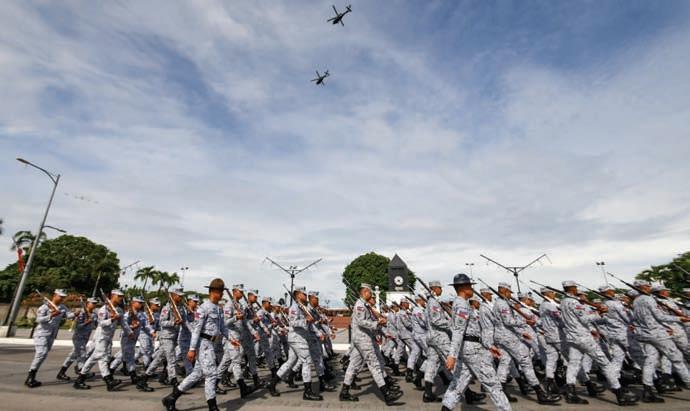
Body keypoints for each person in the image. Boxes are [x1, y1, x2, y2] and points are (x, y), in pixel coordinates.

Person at [560, 280, 638, 405]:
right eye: (575, 288)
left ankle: (571, 392)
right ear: (572, 288)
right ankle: (619, 393)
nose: (576, 290)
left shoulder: (563, 302)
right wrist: (599, 314)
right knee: (605, 363)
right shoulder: (574, 302)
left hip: (572, 337)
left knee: (574, 364)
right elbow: (585, 319)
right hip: (583, 336)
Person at [442, 273, 511, 411]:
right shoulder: (462, 305)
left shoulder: (462, 304)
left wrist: (488, 346)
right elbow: (458, 331)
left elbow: (472, 331)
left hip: (469, 348)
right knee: (493, 384)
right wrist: (452, 356)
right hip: (472, 350)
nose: (472, 289)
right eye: (469, 286)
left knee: (458, 384)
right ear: (463, 287)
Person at [162, 278, 229, 411]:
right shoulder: (203, 308)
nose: (222, 294)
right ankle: (213, 407)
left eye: (222, 291)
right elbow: (196, 330)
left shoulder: (218, 308)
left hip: (212, 344)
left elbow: (222, 327)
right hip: (203, 344)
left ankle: (171, 398)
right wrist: (192, 349)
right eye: (220, 291)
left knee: (196, 374)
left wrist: (230, 338)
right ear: (213, 291)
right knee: (211, 374)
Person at [493, 283, 559, 404]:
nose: (510, 295)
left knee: (504, 363)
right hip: (508, 337)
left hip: (501, 337)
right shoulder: (502, 304)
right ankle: (540, 393)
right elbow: (508, 321)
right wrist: (525, 321)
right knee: (526, 362)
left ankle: (501, 393)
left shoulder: (499, 303)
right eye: (509, 292)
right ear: (504, 291)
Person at [339, 283, 402, 405]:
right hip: (363, 339)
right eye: (370, 292)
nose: (372, 294)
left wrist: (379, 324)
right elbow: (361, 322)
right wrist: (377, 324)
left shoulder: (364, 305)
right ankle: (386, 394)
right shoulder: (360, 305)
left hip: (362, 339)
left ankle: (344, 392)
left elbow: (369, 320)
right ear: (365, 292)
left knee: (353, 365)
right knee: (374, 365)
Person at [632, 280, 690, 402]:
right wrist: (680, 318)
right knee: (677, 359)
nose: (649, 287)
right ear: (642, 287)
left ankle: (647, 390)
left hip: (644, 334)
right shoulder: (649, 299)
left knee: (650, 361)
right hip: (657, 334)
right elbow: (660, 317)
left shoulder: (636, 300)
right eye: (647, 286)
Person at [270, 286, 322, 400]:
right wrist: (305, 320)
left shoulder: (302, 307)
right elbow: (293, 322)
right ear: (298, 294)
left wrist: (318, 332)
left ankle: (272, 384)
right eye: (304, 294)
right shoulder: (294, 307)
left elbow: (309, 323)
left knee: (290, 362)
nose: (306, 296)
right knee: (306, 361)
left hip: (300, 338)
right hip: (297, 338)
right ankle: (307, 391)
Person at [73, 289, 125, 391]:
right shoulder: (103, 309)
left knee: (96, 358)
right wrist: (112, 319)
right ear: (113, 296)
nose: (121, 298)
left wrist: (129, 332)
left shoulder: (118, 310)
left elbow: (123, 323)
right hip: (101, 336)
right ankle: (108, 381)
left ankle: (80, 380)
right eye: (119, 296)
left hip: (108, 337)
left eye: (122, 297)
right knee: (101, 357)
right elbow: (101, 323)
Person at [26, 289, 75, 388]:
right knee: (41, 353)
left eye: (63, 297)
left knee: (43, 355)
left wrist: (75, 314)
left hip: (52, 335)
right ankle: (30, 378)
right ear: (55, 295)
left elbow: (69, 315)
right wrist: (51, 315)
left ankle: (32, 376)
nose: (62, 298)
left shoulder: (62, 307)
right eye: (60, 296)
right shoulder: (44, 307)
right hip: (41, 334)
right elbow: (38, 319)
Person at [145, 288, 186, 386]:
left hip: (174, 336)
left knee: (158, 359)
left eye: (181, 296)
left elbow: (184, 321)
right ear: (174, 295)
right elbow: (162, 322)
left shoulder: (180, 308)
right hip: (166, 337)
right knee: (171, 359)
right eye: (179, 296)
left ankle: (144, 378)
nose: (181, 298)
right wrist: (173, 322)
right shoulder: (167, 307)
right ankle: (173, 381)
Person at [58, 297, 98, 381]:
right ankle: (82, 371)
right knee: (82, 355)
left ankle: (61, 373)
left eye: (95, 304)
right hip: (78, 337)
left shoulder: (94, 314)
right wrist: (86, 322)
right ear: (87, 303)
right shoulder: (82, 313)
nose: (94, 305)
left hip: (85, 338)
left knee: (72, 356)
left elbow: (95, 325)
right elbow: (78, 327)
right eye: (93, 303)